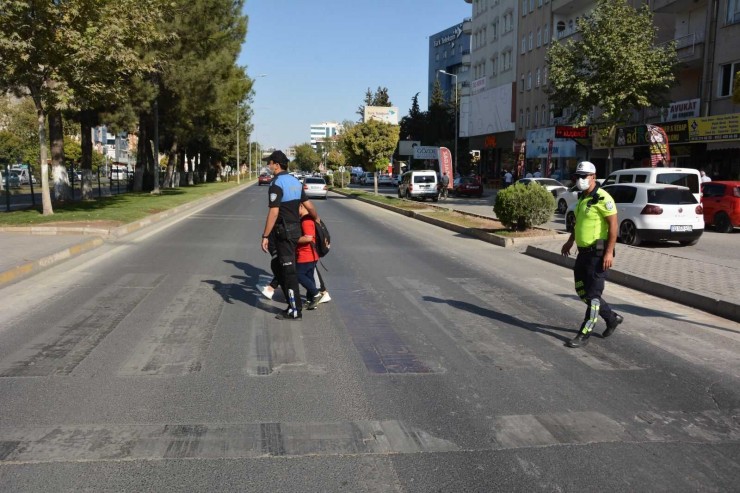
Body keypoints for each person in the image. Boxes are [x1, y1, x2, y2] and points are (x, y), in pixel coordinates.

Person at [560, 161, 624, 348]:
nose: (580, 180)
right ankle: (612, 318)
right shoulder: (582, 198)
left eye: (583, 176)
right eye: (577, 176)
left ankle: (584, 333)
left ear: (593, 177)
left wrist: (609, 252)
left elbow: (613, 226)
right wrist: (570, 241)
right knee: (582, 291)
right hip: (583, 254)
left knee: (594, 296)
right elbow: (579, 223)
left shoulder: (603, 198)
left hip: (598, 254)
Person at [261, 150, 320, 321]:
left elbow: (273, 212)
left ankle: (295, 310)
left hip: (284, 233)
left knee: (289, 272)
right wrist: (316, 218)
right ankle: (291, 303)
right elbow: (308, 205)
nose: (268, 166)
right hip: (295, 231)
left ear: (277, 165)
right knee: (278, 266)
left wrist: (265, 235)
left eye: (269, 163)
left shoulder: (277, 183)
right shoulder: (295, 181)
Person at [296, 203, 323, 310]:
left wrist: (294, 240)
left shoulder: (306, 220)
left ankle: (316, 294)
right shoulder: (307, 219)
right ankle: (310, 300)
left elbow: (308, 238)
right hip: (311, 254)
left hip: (306, 254)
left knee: (299, 275)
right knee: (309, 276)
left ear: (301, 206)